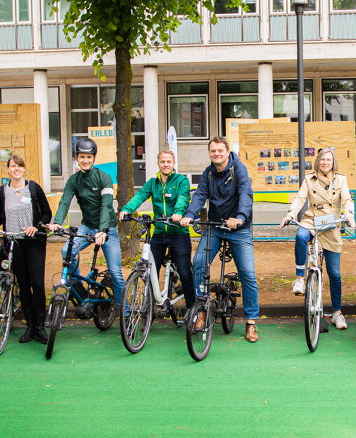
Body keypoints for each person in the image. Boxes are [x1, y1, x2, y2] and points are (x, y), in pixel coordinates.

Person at [180, 137, 259, 343]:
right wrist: (190, 214)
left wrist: (241, 217)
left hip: (238, 228)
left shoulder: (238, 169)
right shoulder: (208, 173)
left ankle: (251, 321)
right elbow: (200, 195)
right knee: (198, 264)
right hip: (215, 226)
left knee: (248, 274)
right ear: (209, 153)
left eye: (220, 150)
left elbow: (245, 193)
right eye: (213, 151)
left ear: (227, 152)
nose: (216, 154)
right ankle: (203, 309)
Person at [280, 148, 355, 331]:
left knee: (334, 273)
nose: (325, 162)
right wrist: (290, 214)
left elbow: (346, 200)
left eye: (328, 159)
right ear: (318, 161)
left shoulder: (341, 179)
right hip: (312, 221)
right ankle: (299, 278)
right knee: (300, 235)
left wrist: (350, 214)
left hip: (331, 225)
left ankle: (337, 312)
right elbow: (300, 198)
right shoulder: (309, 179)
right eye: (322, 159)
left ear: (333, 162)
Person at [47, 137, 124, 306]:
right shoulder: (73, 180)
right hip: (87, 227)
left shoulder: (104, 178)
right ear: (77, 158)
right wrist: (57, 222)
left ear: (94, 158)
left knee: (116, 272)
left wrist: (103, 230)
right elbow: (65, 202)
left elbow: (106, 205)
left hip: (107, 229)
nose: (85, 160)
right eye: (82, 157)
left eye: (89, 157)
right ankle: (78, 287)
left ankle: (124, 312)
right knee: (66, 250)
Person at [119, 148, 195, 311]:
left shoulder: (181, 181)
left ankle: (192, 310)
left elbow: (183, 197)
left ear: (173, 163)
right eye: (163, 161)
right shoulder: (152, 183)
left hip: (178, 233)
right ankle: (150, 308)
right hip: (159, 233)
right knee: (150, 272)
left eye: (169, 161)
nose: (166, 164)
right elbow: (140, 196)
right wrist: (127, 209)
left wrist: (178, 213)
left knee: (185, 272)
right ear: (158, 163)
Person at [0, 154, 52, 344]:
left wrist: (36, 226)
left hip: (33, 243)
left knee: (37, 284)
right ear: (8, 170)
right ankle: (30, 326)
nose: (16, 169)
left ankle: (40, 326)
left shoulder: (33, 188)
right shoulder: (2, 192)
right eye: (13, 166)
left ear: (23, 169)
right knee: (22, 285)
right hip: (14, 244)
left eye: (19, 166)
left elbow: (47, 213)